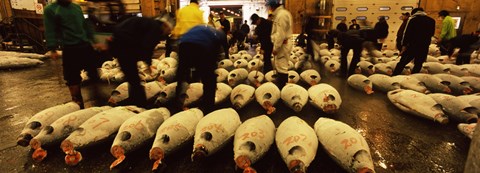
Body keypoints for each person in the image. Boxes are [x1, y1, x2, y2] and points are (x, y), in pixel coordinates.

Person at [43, 0, 101, 109]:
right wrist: (52, 48)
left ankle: (98, 98)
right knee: (72, 78)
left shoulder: (76, 7)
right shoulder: (51, 10)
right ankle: (78, 102)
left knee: (93, 73)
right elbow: (50, 29)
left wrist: (94, 40)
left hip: (85, 45)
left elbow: (85, 25)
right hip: (70, 48)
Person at [107, 15, 172, 107]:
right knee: (133, 77)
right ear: (165, 25)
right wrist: (148, 64)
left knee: (131, 76)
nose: (167, 33)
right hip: (124, 45)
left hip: (121, 44)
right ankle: (140, 103)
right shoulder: (155, 28)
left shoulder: (150, 23)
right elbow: (147, 46)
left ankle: (135, 99)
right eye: (168, 30)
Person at [175, 25, 228, 114]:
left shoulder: (203, 29)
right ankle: (208, 108)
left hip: (183, 45)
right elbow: (215, 54)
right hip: (201, 47)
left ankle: (177, 102)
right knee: (209, 79)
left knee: (181, 74)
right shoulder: (219, 36)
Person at [392, 8, 435, 76]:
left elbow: (406, 33)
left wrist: (404, 45)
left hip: (412, 45)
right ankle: (414, 77)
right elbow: (432, 33)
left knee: (403, 62)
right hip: (424, 46)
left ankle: (395, 75)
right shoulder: (431, 21)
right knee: (418, 63)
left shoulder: (413, 20)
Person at [267, 0, 293, 89]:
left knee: (282, 67)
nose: (269, 9)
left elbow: (280, 34)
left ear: (272, 6)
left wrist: (276, 48)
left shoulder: (281, 15)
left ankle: (282, 89)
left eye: (269, 7)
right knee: (279, 65)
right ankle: (281, 86)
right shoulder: (280, 14)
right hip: (282, 44)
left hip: (282, 44)